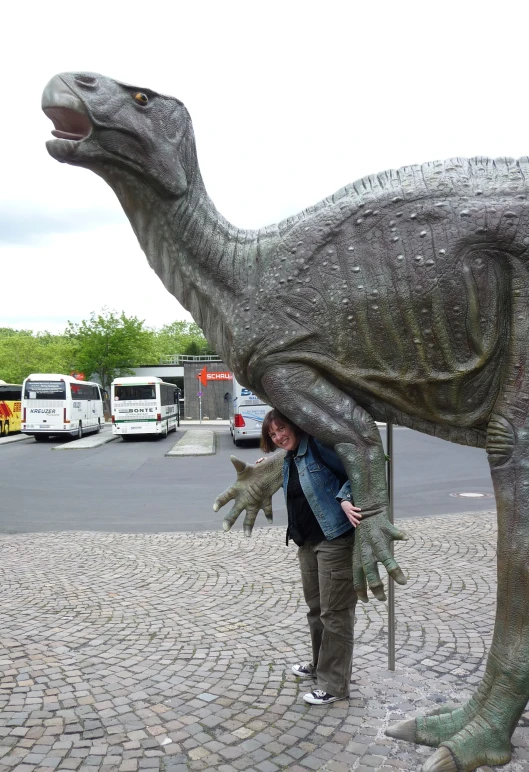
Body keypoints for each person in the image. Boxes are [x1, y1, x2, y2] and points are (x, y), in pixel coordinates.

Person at [259, 408, 362, 706]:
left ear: (294, 424)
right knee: (316, 609)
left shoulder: (318, 445)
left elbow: (359, 470)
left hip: (334, 540)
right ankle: (319, 667)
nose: (279, 437)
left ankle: (334, 684)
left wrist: (345, 498)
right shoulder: (290, 457)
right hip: (307, 543)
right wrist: (266, 465)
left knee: (336, 613)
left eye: (281, 429)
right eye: (273, 434)